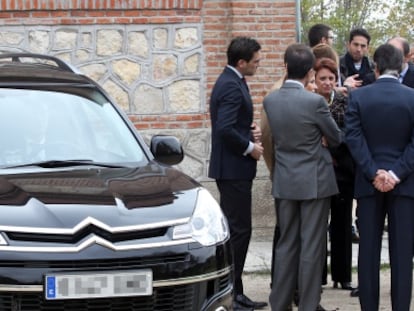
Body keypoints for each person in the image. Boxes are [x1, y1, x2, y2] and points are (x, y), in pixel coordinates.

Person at [264, 43, 341, 311]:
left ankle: (280, 303)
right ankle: (308, 304)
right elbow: (336, 137)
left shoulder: (269, 100)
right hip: (315, 181)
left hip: (285, 180)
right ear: (310, 72)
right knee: (312, 245)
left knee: (286, 244)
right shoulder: (315, 101)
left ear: (285, 67)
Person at [345, 43, 414, 311]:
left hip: (368, 182)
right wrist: (396, 174)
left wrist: (374, 172)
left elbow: (353, 137)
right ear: (401, 65)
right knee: (402, 252)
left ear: (375, 66)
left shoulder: (359, 97)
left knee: (368, 251)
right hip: (405, 185)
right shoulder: (412, 97)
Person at [208, 36, 267, 311]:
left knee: (238, 230)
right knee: (239, 231)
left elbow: (233, 123)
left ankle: (236, 291)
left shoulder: (232, 80)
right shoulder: (231, 85)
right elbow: (224, 129)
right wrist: (249, 148)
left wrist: (249, 129)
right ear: (241, 62)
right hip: (233, 169)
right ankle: (231, 294)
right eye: (255, 61)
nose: (259, 64)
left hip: (233, 168)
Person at [313, 57, 355, 291]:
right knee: (318, 226)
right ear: (315, 80)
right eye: (323, 79)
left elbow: (351, 132)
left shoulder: (346, 102)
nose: (328, 83)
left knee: (342, 224)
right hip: (317, 172)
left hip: (342, 171)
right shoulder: (309, 102)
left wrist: (332, 140)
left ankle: (343, 275)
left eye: (331, 78)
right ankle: (317, 277)